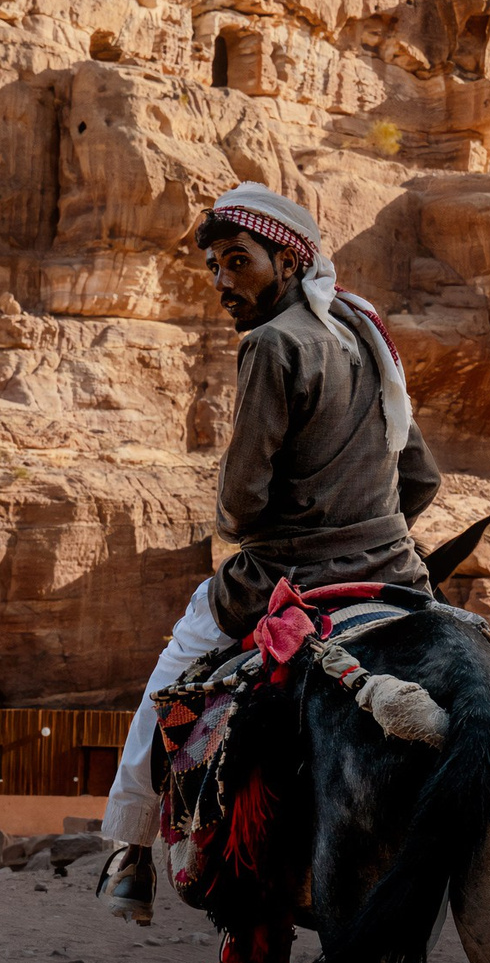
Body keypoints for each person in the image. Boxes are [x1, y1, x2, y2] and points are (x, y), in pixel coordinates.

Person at [97, 183, 442, 921]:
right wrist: (369, 532)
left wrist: (256, 515)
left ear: (287, 260)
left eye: (237, 261)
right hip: (398, 579)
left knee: (170, 675)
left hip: (284, 581)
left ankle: (128, 847)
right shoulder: (365, 330)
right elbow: (422, 477)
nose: (223, 282)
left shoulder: (272, 344)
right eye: (216, 267)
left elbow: (243, 505)